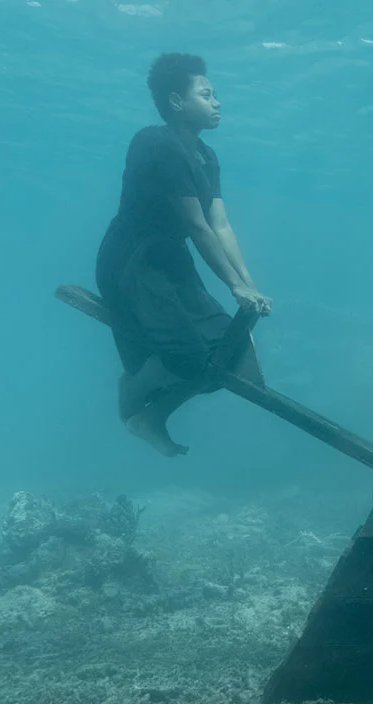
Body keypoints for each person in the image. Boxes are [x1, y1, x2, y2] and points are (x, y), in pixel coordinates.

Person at [95, 53, 272, 457]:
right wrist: (233, 286)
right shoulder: (155, 145)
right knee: (192, 357)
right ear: (176, 102)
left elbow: (220, 224)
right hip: (133, 263)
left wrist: (248, 285)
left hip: (172, 265)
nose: (218, 102)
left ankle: (151, 417)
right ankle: (135, 384)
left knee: (228, 353)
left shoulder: (206, 156)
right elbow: (196, 226)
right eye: (207, 94)